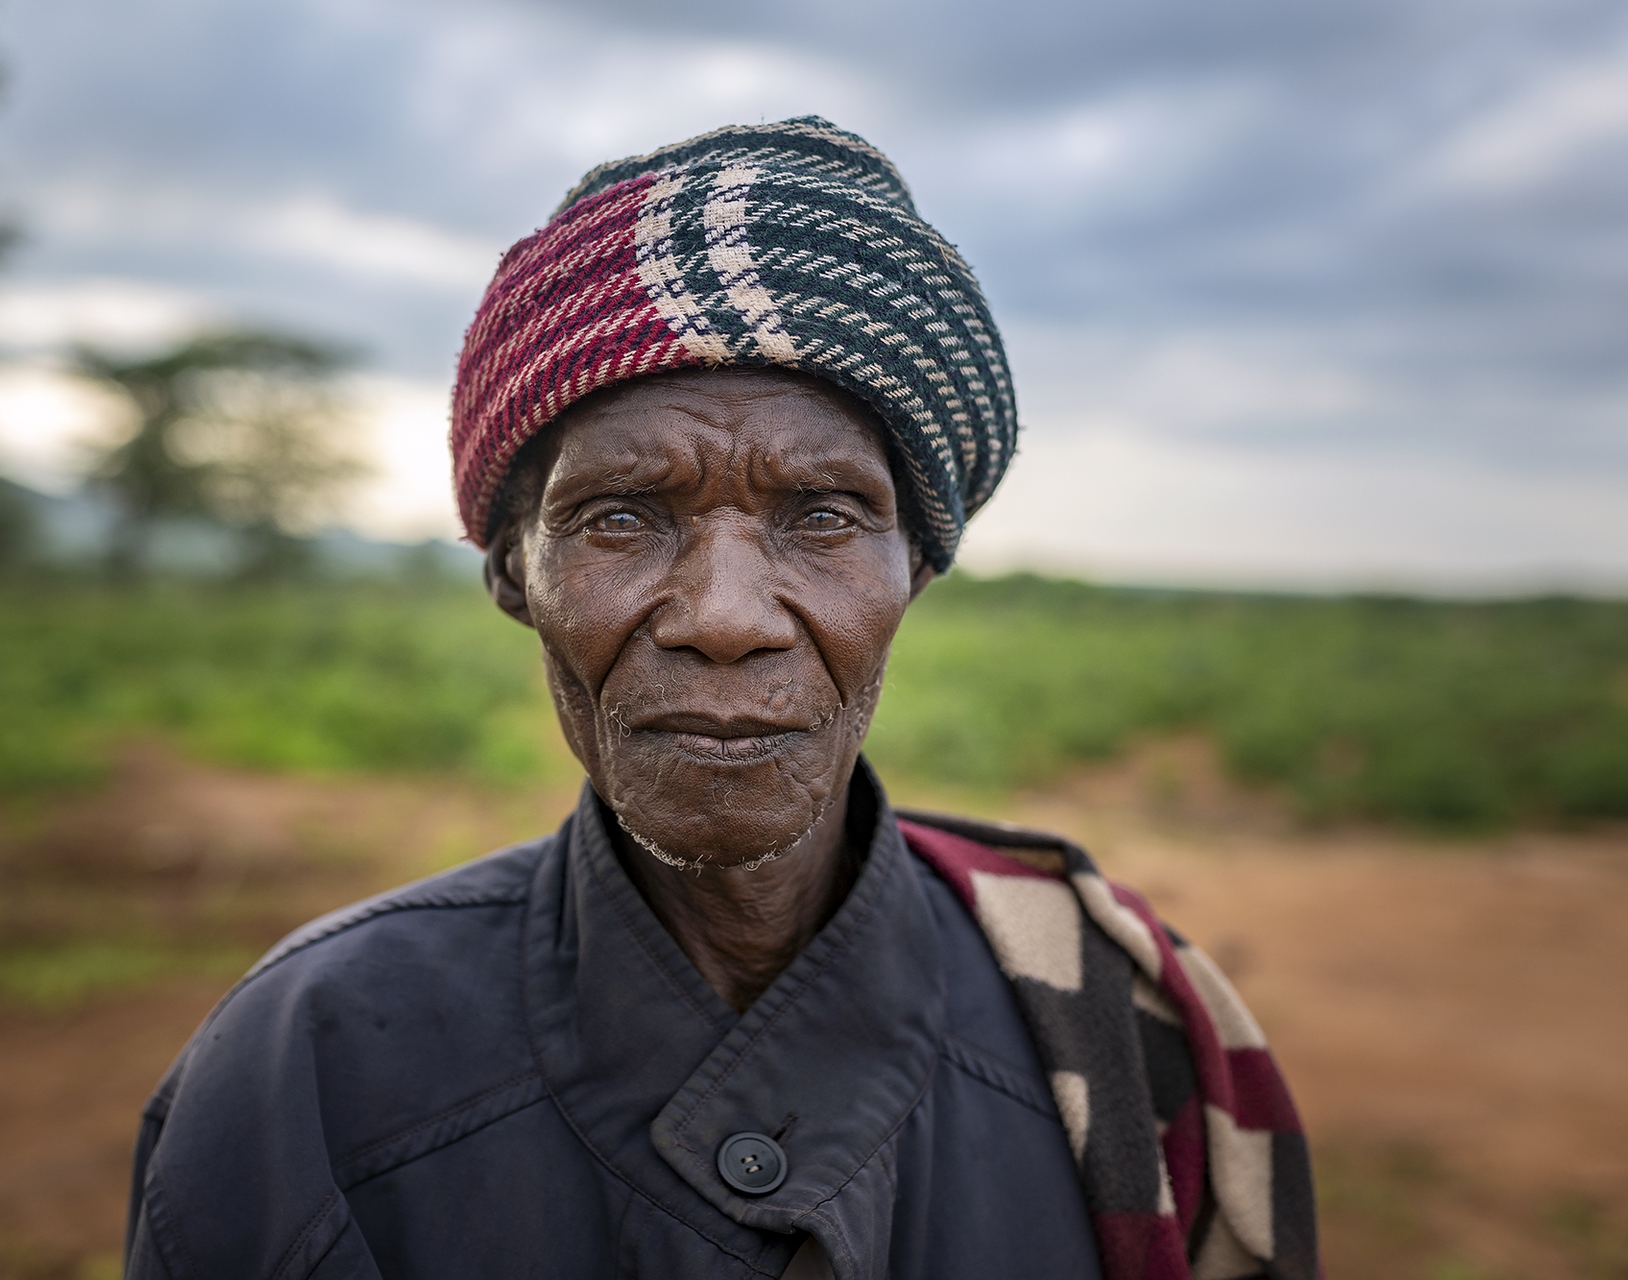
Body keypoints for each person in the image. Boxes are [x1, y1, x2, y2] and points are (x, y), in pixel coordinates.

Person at [123, 118, 1319, 1280]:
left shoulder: (1122, 1033)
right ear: (512, 573)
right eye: (621, 517)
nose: (726, 614)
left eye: (825, 516)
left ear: (917, 567)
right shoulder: (306, 1068)